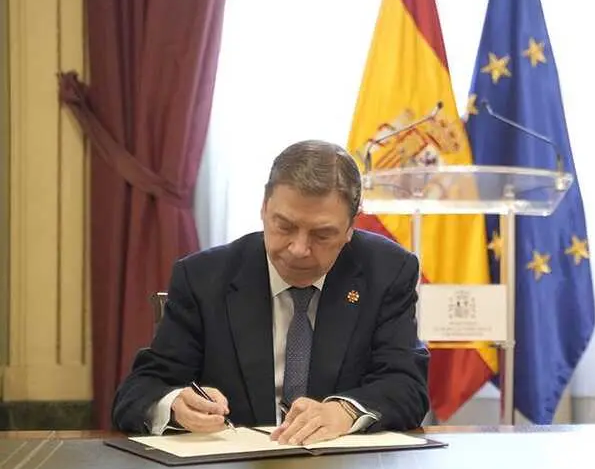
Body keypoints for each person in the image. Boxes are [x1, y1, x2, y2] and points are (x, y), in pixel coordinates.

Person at [112, 140, 430, 443]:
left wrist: (343, 411)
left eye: (322, 235)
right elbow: (140, 390)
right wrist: (176, 405)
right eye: (285, 226)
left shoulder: (387, 272)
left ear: (350, 228)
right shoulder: (203, 278)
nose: (299, 249)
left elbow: (407, 387)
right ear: (264, 208)